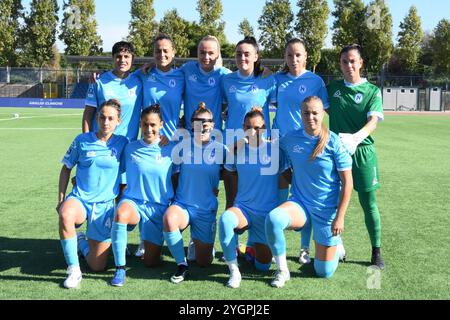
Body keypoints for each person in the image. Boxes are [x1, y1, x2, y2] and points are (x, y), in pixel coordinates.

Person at [265, 96, 353, 288]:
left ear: (322, 114)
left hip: (326, 210)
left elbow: (348, 183)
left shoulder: (334, 142)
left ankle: (334, 245)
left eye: (315, 113)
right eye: (306, 113)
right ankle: (282, 270)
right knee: (273, 219)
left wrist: (340, 217)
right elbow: (278, 159)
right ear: (300, 113)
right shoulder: (290, 138)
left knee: (324, 272)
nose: (310, 117)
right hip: (300, 203)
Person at [57, 99, 128, 289]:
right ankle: (74, 270)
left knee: (97, 266)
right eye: (102, 117)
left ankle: (80, 241)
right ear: (97, 118)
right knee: (65, 213)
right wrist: (61, 199)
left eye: (110, 118)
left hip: (104, 206)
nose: (105, 122)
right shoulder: (82, 140)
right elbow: (66, 169)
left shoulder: (123, 143)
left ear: (118, 121)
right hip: (80, 199)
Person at [327, 44, 385, 269]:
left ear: (361, 63)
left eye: (353, 61)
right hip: (337, 153)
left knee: (368, 203)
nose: (349, 65)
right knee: (332, 200)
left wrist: (355, 138)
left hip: (362, 153)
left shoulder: (372, 91)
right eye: (344, 61)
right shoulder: (332, 88)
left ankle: (376, 251)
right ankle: (335, 246)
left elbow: (373, 122)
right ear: (340, 64)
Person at [274, 38, 331, 265]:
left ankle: (304, 248)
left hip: (305, 147)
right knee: (279, 193)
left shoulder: (315, 80)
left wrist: (324, 137)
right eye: (289, 55)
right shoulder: (277, 80)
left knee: (305, 195)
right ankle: (275, 245)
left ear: (306, 56)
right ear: (285, 58)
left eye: (298, 55)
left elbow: (323, 111)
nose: (294, 59)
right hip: (280, 144)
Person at [109, 105, 177, 287]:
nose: (149, 129)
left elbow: (179, 177)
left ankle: (154, 249)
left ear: (161, 124)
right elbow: (111, 168)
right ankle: (120, 268)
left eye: (153, 125)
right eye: (145, 124)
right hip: (133, 202)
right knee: (121, 214)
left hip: (157, 208)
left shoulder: (170, 149)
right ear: (140, 124)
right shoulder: (129, 148)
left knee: (150, 263)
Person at [219, 107, 285, 289]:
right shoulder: (237, 149)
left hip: (266, 215)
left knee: (262, 266)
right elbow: (229, 172)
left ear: (264, 128)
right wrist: (231, 203)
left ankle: (250, 250)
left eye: (256, 127)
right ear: (243, 127)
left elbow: (286, 177)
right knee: (225, 220)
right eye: (248, 127)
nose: (252, 131)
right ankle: (234, 271)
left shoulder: (275, 149)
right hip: (244, 209)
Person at [163, 103, 227, 284]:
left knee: (204, 262)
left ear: (213, 125)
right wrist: (177, 197)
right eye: (198, 121)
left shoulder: (222, 149)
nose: (203, 125)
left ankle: (199, 242)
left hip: (206, 209)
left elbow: (231, 171)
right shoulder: (181, 147)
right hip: (183, 205)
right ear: (192, 124)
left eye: (207, 121)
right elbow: (174, 174)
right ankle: (181, 264)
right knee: (169, 218)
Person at [221, 36, 276, 212]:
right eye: (238, 54)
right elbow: (223, 107)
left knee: (260, 196)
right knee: (232, 197)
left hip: (259, 145)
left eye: (247, 54)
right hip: (232, 143)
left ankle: (259, 238)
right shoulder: (226, 80)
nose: (242, 58)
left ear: (256, 56)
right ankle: (232, 239)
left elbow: (280, 106)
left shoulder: (268, 80)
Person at [83, 41, 143, 143]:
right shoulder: (98, 81)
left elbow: (157, 65)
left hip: (127, 144)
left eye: (126, 56)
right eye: (118, 56)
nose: (122, 60)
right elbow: (88, 113)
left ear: (132, 59)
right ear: (113, 58)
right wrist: (86, 140)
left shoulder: (139, 81)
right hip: (101, 143)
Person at [138, 33, 185, 140]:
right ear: (153, 53)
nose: (162, 54)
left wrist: (184, 119)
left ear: (173, 52)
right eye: (158, 51)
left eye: (165, 50)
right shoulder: (144, 73)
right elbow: (122, 76)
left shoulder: (182, 76)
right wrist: (100, 74)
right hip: (148, 140)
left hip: (172, 139)